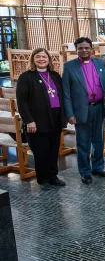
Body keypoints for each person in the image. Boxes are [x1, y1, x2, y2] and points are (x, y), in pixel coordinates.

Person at [17, 48, 67, 190]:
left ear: (49, 59)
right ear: (33, 59)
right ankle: (43, 179)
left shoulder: (55, 75)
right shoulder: (26, 77)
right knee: (40, 151)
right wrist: (29, 120)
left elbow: (61, 96)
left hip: (55, 118)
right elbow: (21, 102)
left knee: (53, 148)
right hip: (37, 120)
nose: (41, 59)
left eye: (44, 57)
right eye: (38, 57)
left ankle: (53, 176)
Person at [62, 37, 105, 185]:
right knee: (83, 142)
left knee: (99, 140)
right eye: (80, 48)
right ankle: (85, 171)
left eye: (86, 48)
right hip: (81, 111)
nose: (84, 50)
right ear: (76, 50)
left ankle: (97, 167)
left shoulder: (101, 63)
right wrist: (69, 113)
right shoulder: (69, 66)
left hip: (99, 108)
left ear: (92, 49)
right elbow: (66, 92)